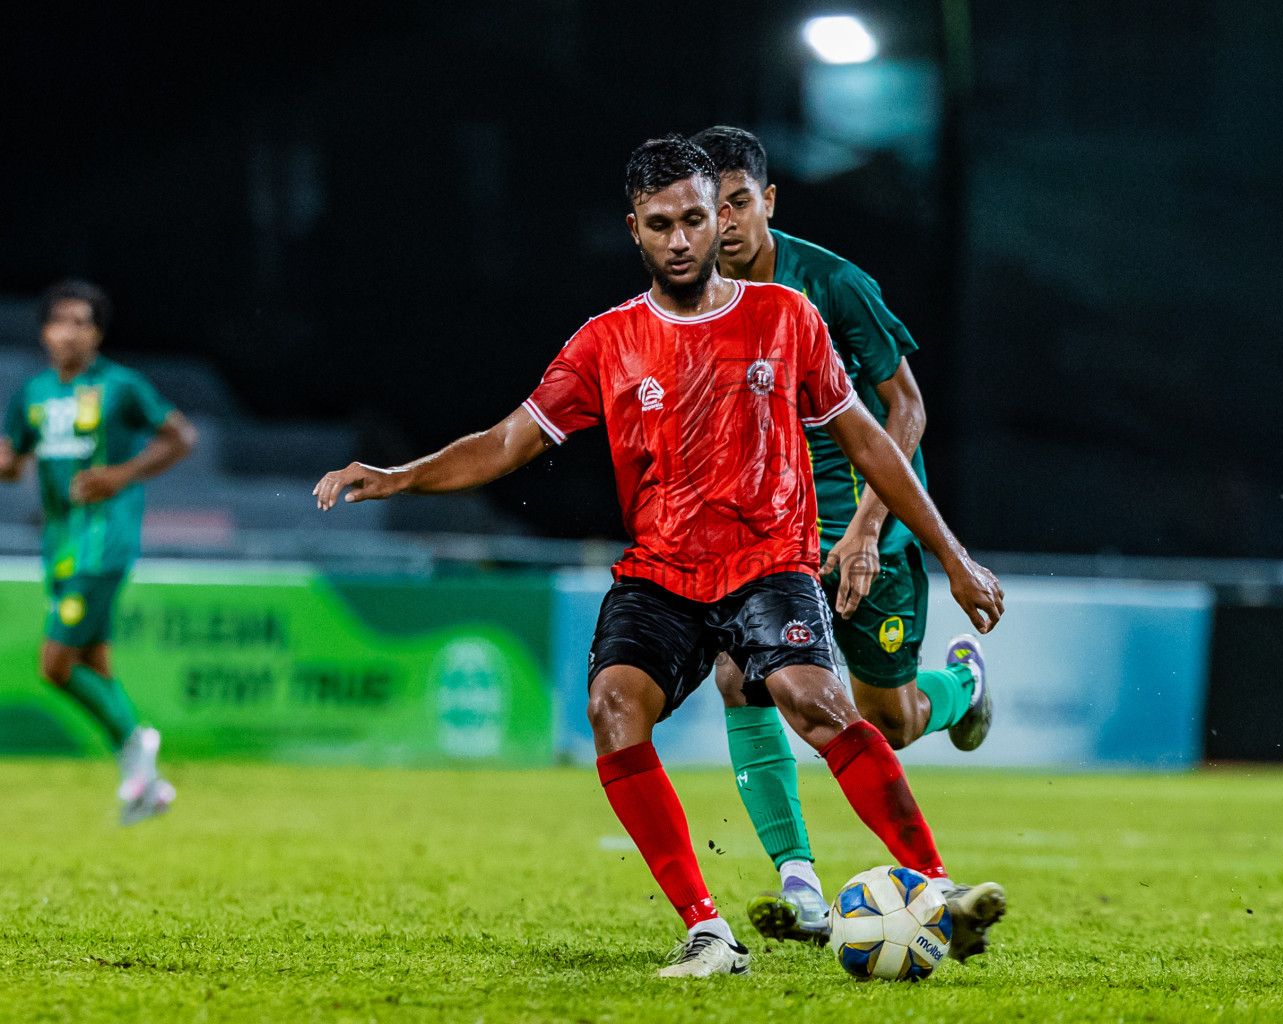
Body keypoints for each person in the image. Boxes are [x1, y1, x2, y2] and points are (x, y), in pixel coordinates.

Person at [313, 136, 1007, 978]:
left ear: (720, 220)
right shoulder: (607, 341)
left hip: (769, 564)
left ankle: (938, 889)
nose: (679, 240)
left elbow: (870, 441)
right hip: (662, 573)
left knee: (816, 700)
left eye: (693, 219)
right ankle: (709, 931)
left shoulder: (788, 318)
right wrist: (400, 476)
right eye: (659, 224)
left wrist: (954, 557)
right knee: (613, 706)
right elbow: (505, 442)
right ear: (633, 230)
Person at [690, 125, 992, 945]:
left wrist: (867, 529)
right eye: (711, 210)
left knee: (890, 720)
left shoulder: (833, 284)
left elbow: (908, 407)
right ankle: (800, 887)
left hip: (868, 530)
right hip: (772, 541)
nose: (726, 225)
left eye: (740, 204)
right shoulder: (693, 303)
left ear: (768, 200)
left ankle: (961, 688)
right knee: (738, 675)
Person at [0, 280, 197, 824]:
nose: (69, 332)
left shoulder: (121, 386)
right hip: (59, 545)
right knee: (93, 663)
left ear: (98, 334)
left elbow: (181, 437)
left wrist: (121, 475)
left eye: (81, 323)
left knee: (54, 666)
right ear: (44, 332)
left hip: (104, 542)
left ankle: (137, 740)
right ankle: (145, 789)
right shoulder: (33, 394)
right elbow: (12, 462)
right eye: (59, 321)